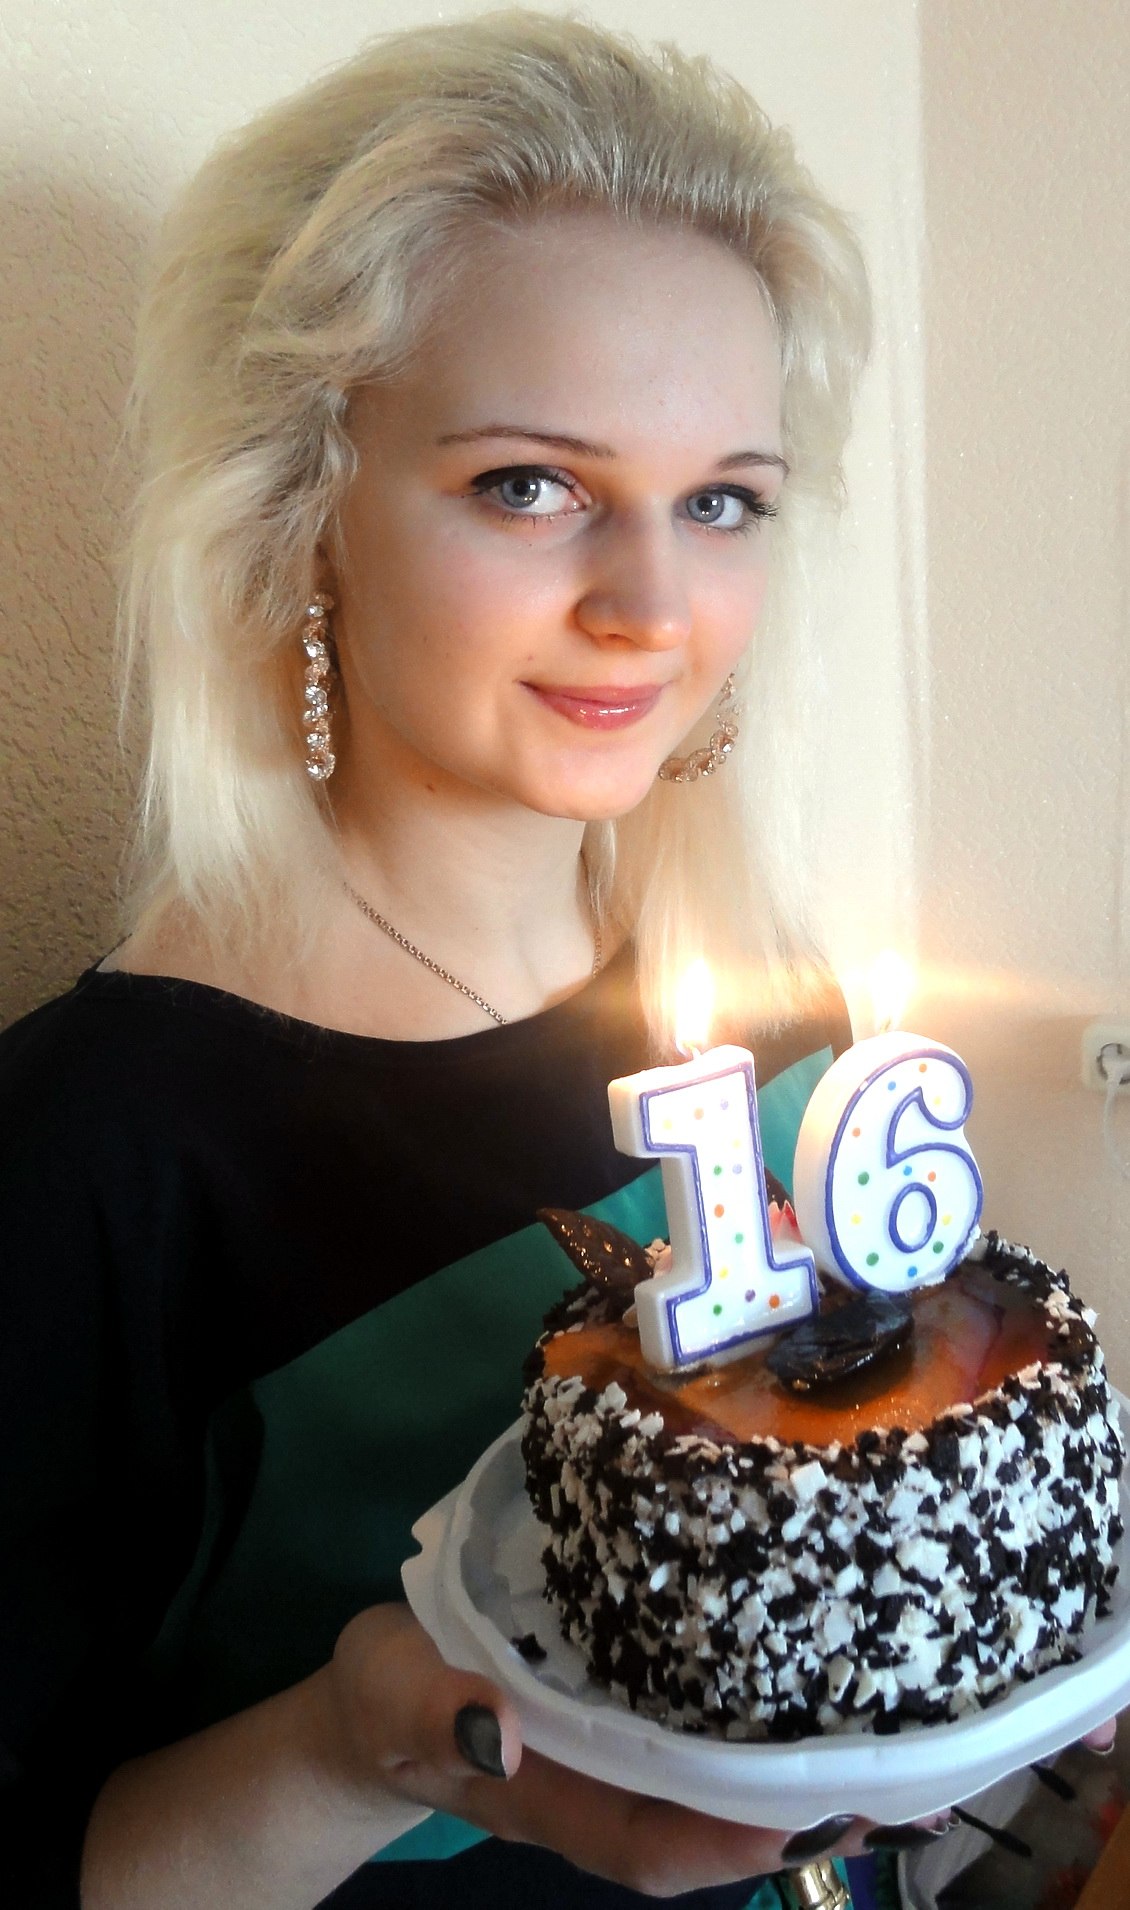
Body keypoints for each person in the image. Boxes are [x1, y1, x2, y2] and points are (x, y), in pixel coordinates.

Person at [9, 11, 1097, 1908]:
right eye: (530, 483)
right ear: (299, 507)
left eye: (721, 499)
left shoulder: (768, 999)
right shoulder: (94, 1151)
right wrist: (356, 1745)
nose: (652, 606)